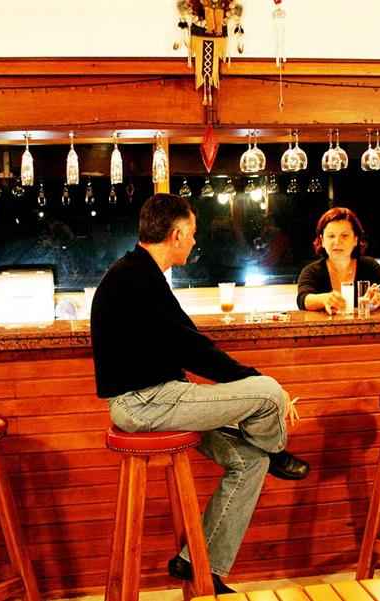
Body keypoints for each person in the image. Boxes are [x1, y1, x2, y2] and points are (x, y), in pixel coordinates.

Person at [90, 193, 309, 594]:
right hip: (145, 403)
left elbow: (187, 343)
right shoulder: (135, 278)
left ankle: (198, 563)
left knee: (250, 461)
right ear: (176, 235)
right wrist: (256, 385)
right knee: (269, 393)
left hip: (157, 398)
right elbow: (191, 349)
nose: (194, 241)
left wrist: (246, 387)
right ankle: (277, 448)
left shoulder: (141, 273)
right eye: (191, 233)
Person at [296, 207, 380, 314]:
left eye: (344, 236)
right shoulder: (311, 271)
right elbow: (302, 299)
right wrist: (324, 299)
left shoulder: (369, 265)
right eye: (331, 236)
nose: (337, 241)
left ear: (355, 239)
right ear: (322, 241)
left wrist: (378, 298)